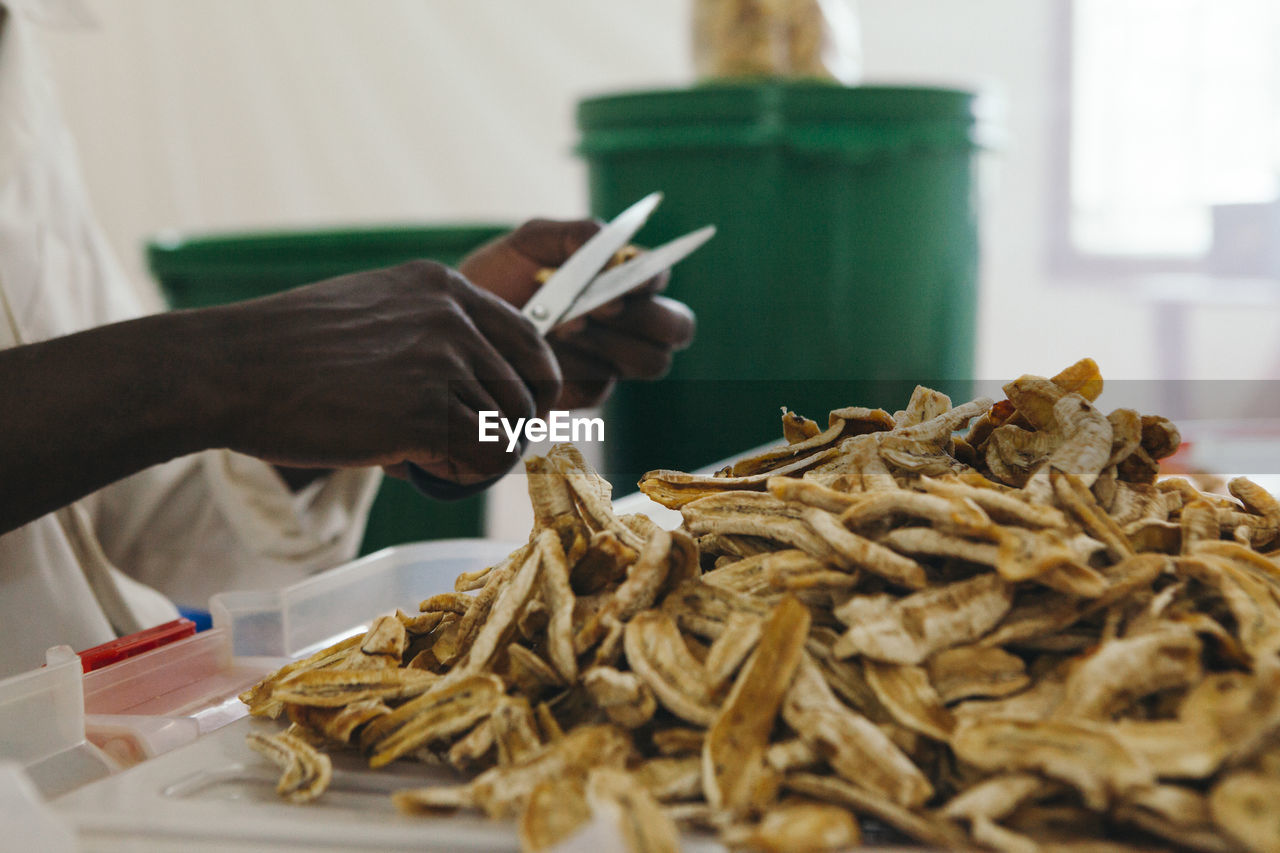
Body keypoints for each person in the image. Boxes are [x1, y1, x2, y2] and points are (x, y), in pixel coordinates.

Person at [0, 1, 694, 676]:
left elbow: (118, 535)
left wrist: (379, 388)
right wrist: (225, 369)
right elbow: (178, 392)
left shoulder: (21, 42)